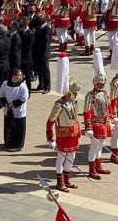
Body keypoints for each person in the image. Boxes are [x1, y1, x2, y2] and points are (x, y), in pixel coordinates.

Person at [46, 53, 82, 192]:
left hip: (73, 133)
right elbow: (50, 121)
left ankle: (67, 178)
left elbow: (75, 118)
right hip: (62, 134)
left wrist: (79, 131)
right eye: (74, 93)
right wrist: (50, 138)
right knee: (61, 158)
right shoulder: (59, 104)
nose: (76, 95)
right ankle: (59, 181)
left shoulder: (73, 102)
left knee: (71, 156)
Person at [83, 49, 113, 179]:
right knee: (94, 147)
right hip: (95, 123)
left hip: (104, 121)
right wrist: (88, 126)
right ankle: (91, 169)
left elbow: (109, 106)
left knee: (101, 145)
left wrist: (111, 119)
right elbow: (87, 111)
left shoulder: (105, 93)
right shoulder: (90, 95)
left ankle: (98, 165)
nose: (101, 86)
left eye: (102, 84)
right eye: (99, 84)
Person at [0, 68, 29, 152]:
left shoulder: (22, 86)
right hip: (8, 110)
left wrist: (13, 103)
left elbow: (24, 97)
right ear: (13, 76)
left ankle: (18, 145)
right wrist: (5, 103)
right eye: (19, 75)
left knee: (19, 128)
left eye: (21, 75)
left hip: (18, 111)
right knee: (8, 127)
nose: (21, 76)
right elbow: (1, 94)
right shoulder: (5, 84)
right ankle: (8, 143)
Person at [32, 13, 52, 93]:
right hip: (38, 51)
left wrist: (44, 53)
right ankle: (41, 84)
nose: (39, 19)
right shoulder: (38, 27)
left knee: (45, 70)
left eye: (41, 18)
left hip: (44, 53)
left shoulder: (47, 28)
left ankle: (47, 86)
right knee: (39, 69)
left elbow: (47, 42)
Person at [18, 17, 34, 91]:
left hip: (27, 58)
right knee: (19, 75)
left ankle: (28, 91)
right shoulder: (20, 32)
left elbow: (29, 46)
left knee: (27, 76)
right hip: (20, 57)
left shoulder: (30, 33)